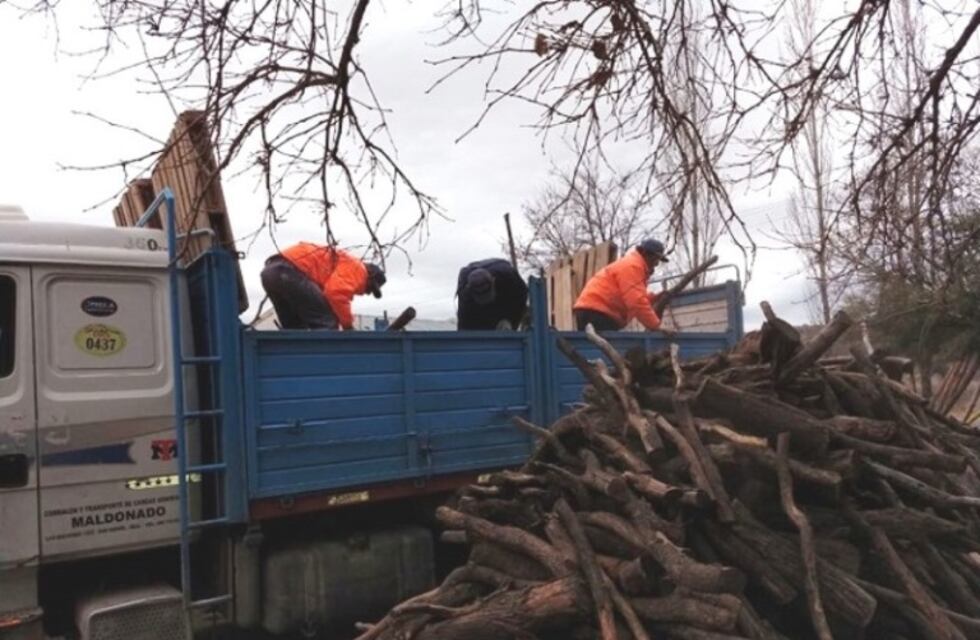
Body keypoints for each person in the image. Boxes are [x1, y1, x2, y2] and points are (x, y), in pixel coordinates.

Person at [260, 242, 386, 330]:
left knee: (295, 328)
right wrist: (348, 326)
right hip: (290, 271)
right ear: (369, 276)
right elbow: (336, 293)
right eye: (370, 288)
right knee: (327, 321)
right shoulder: (359, 269)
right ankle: (326, 360)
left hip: (270, 272)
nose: (367, 293)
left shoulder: (338, 264)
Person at [573, 239, 669, 332]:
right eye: (655, 259)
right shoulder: (633, 266)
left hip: (593, 310)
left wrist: (654, 298)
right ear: (645, 253)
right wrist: (656, 326)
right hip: (597, 312)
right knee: (607, 342)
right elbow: (636, 301)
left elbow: (633, 296)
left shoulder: (632, 264)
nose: (656, 264)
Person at [456, 258, 529, 330]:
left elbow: (521, 302)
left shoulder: (510, 279)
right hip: (475, 306)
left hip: (504, 292)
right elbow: (464, 320)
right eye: (481, 298)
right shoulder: (465, 294)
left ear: (493, 281)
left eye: (487, 295)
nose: (485, 301)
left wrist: (510, 320)